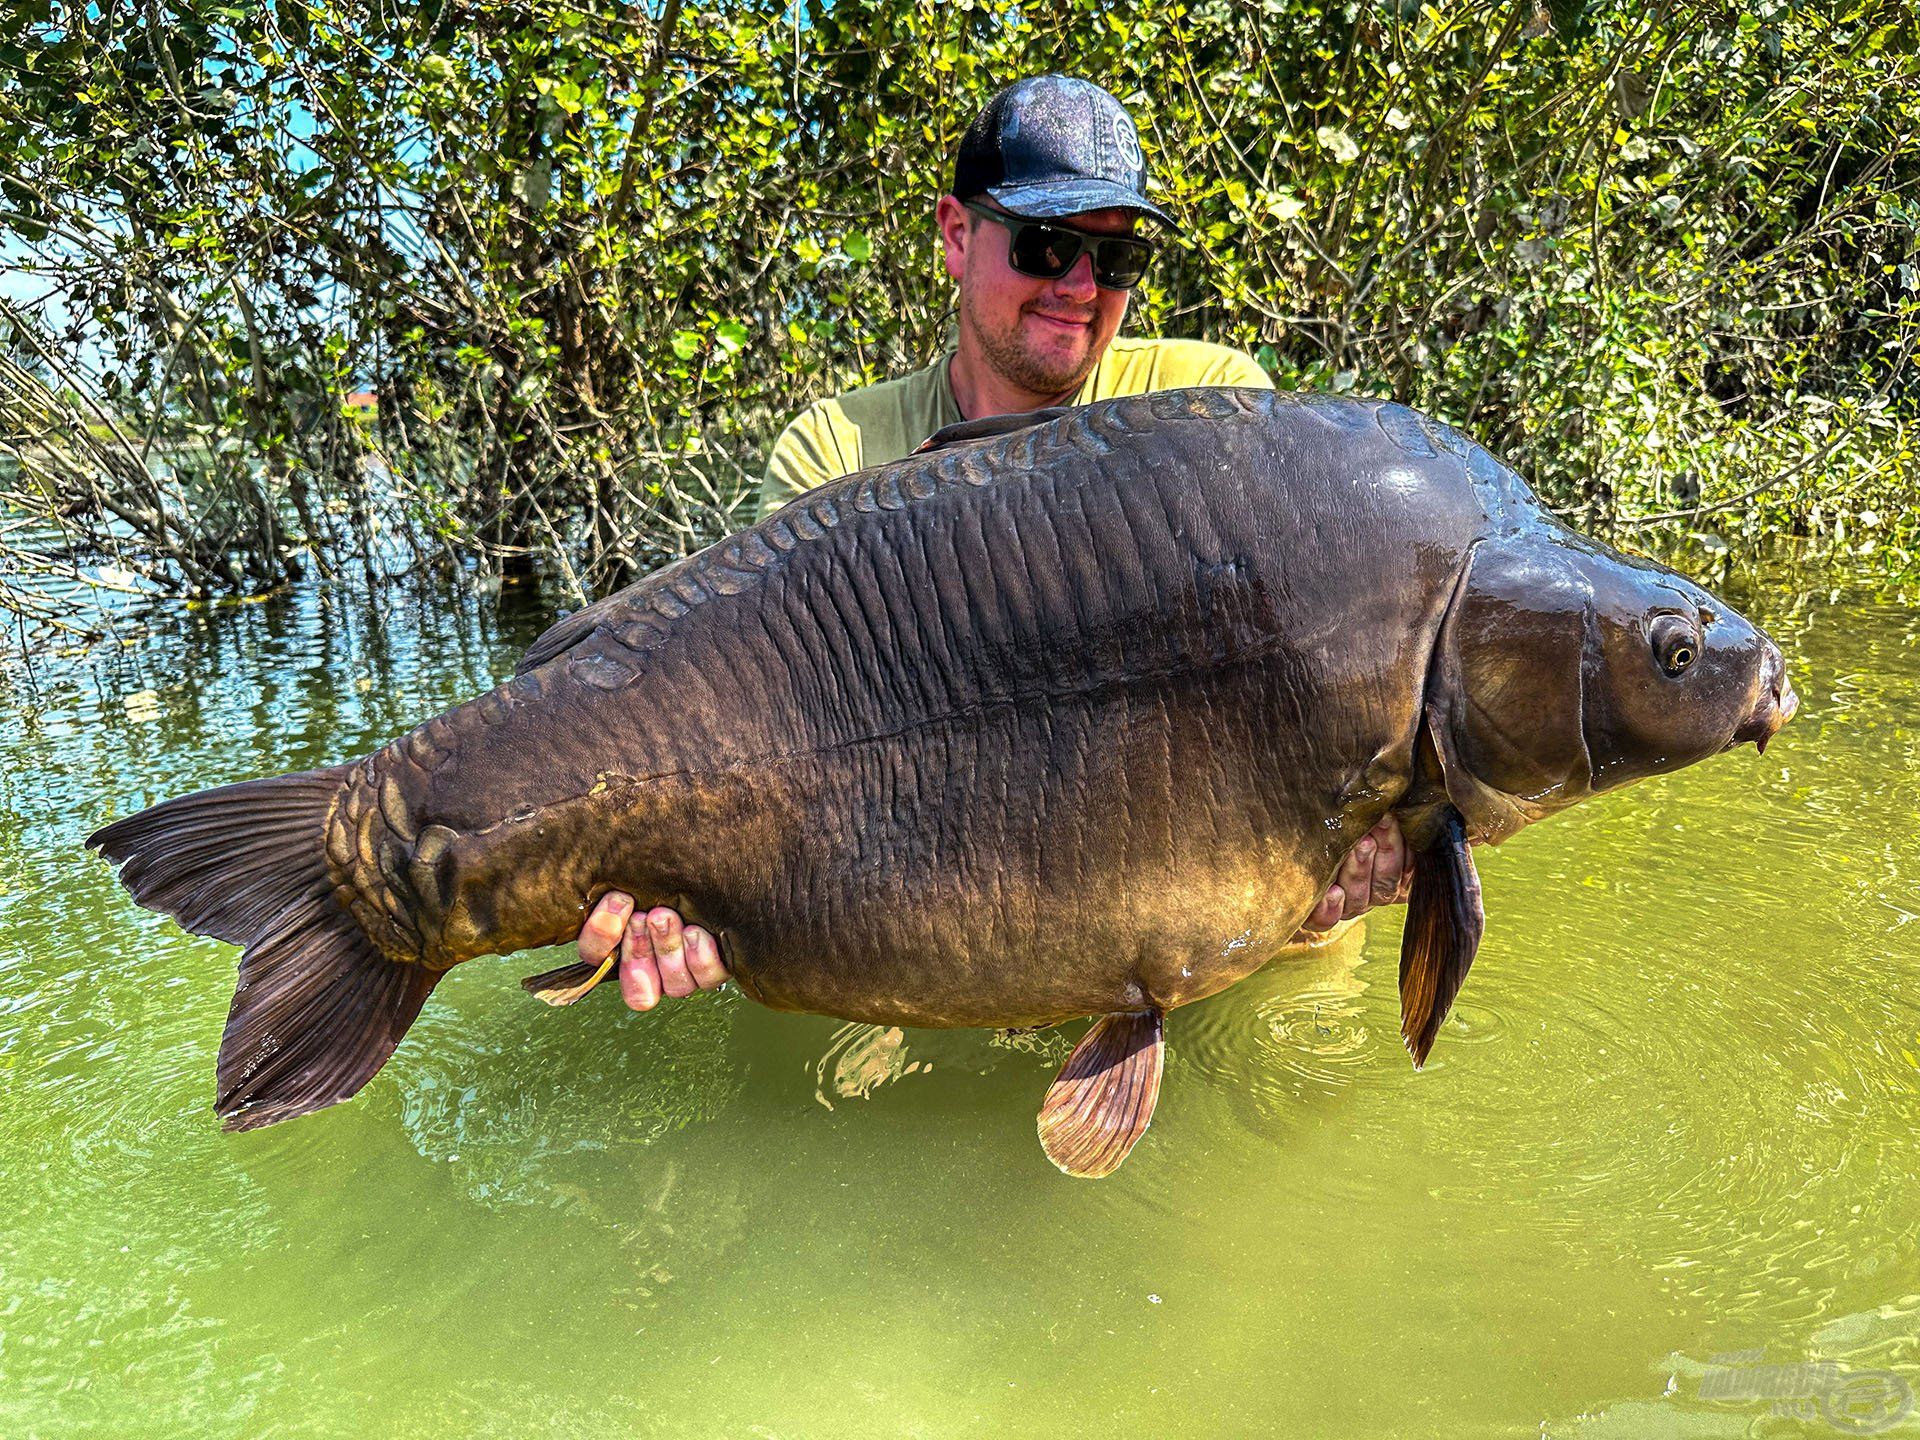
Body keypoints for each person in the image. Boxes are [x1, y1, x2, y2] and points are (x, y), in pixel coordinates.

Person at [579, 75, 1409, 1012]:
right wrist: (699, 886)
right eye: (1046, 245)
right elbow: (791, 748)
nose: (1081, 287)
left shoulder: (1214, 409)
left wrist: (1358, 841)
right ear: (954, 234)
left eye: (1118, 257)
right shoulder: (836, 453)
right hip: (947, 950)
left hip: (1224, 976)